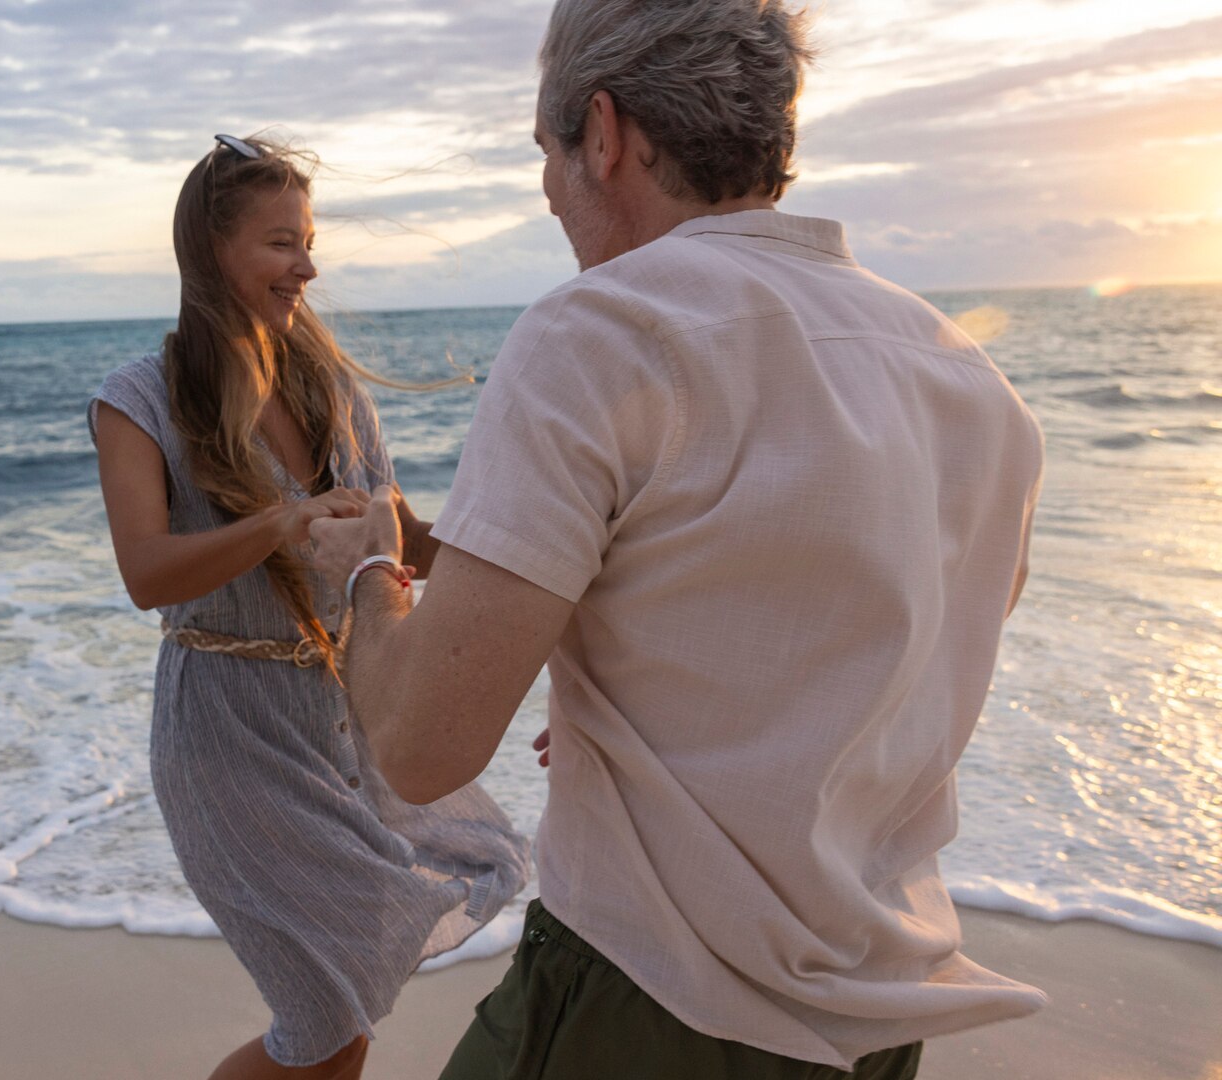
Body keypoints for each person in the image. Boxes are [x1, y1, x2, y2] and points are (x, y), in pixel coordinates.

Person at [308, 1, 1048, 1077]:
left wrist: (370, 570)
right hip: (883, 1016)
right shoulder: (974, 386)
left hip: (648, 996)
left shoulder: (599, 331)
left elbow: (422, 747)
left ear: (605, 133)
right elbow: (873, 666)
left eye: (549, 151)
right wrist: (639, 702)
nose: (550, 191)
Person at [88, 133, 529, 1080]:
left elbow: (398, 540)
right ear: (214, 250)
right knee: (324, 1018)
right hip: (228, 739)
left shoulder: (328, 390)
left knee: (344, 1014)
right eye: (282, 242)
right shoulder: (138, 400)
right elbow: (146, 573)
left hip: (340, 725)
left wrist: (537, 564)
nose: (307, 267)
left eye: (309, 241)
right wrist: (279, 522)